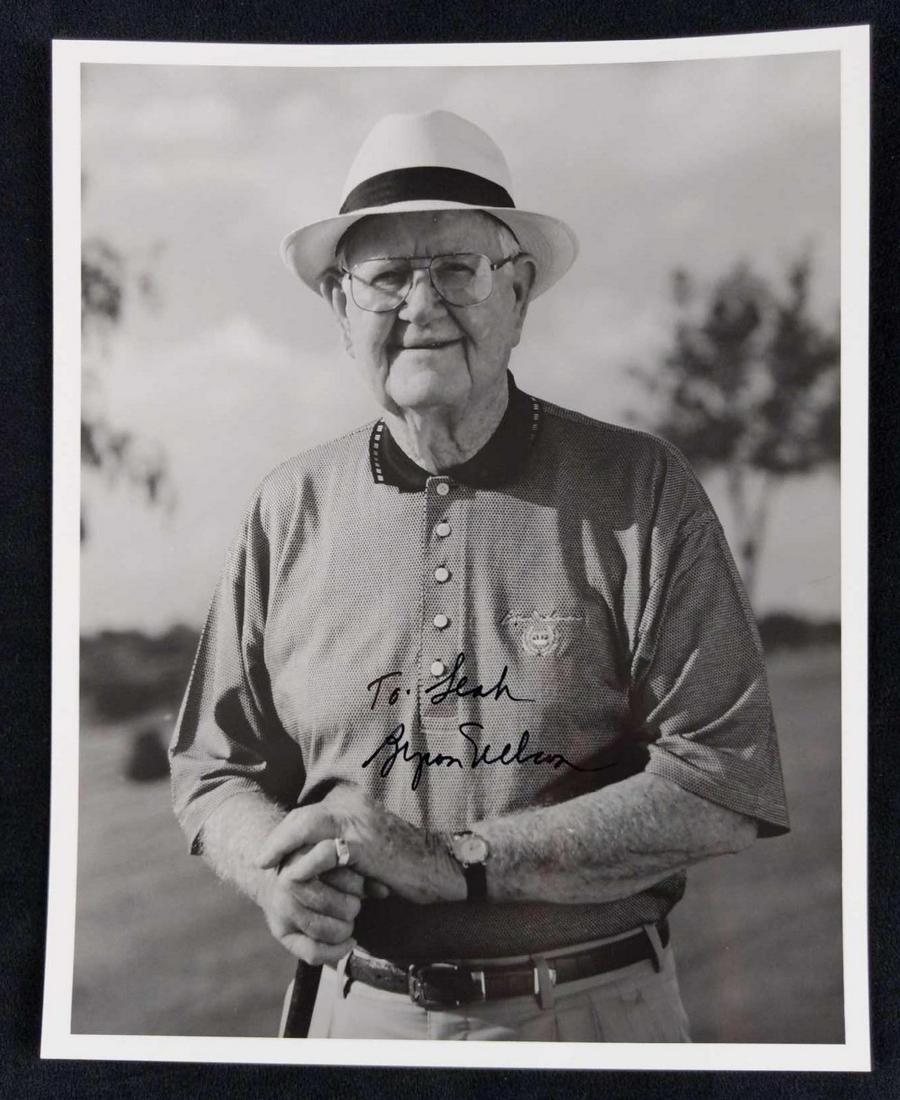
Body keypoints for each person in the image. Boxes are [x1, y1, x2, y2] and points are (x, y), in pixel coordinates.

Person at [169, 109, 789, 1042]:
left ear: (519, 293)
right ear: (341, 307)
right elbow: (215, 769)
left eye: (456, 270)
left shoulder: (640, 487)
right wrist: (275, 872)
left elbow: (724, 780)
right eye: (385, 279)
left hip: (590, 1017)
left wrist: (457, 858)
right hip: (357, 1017)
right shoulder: (285, 507)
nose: (422, 307)